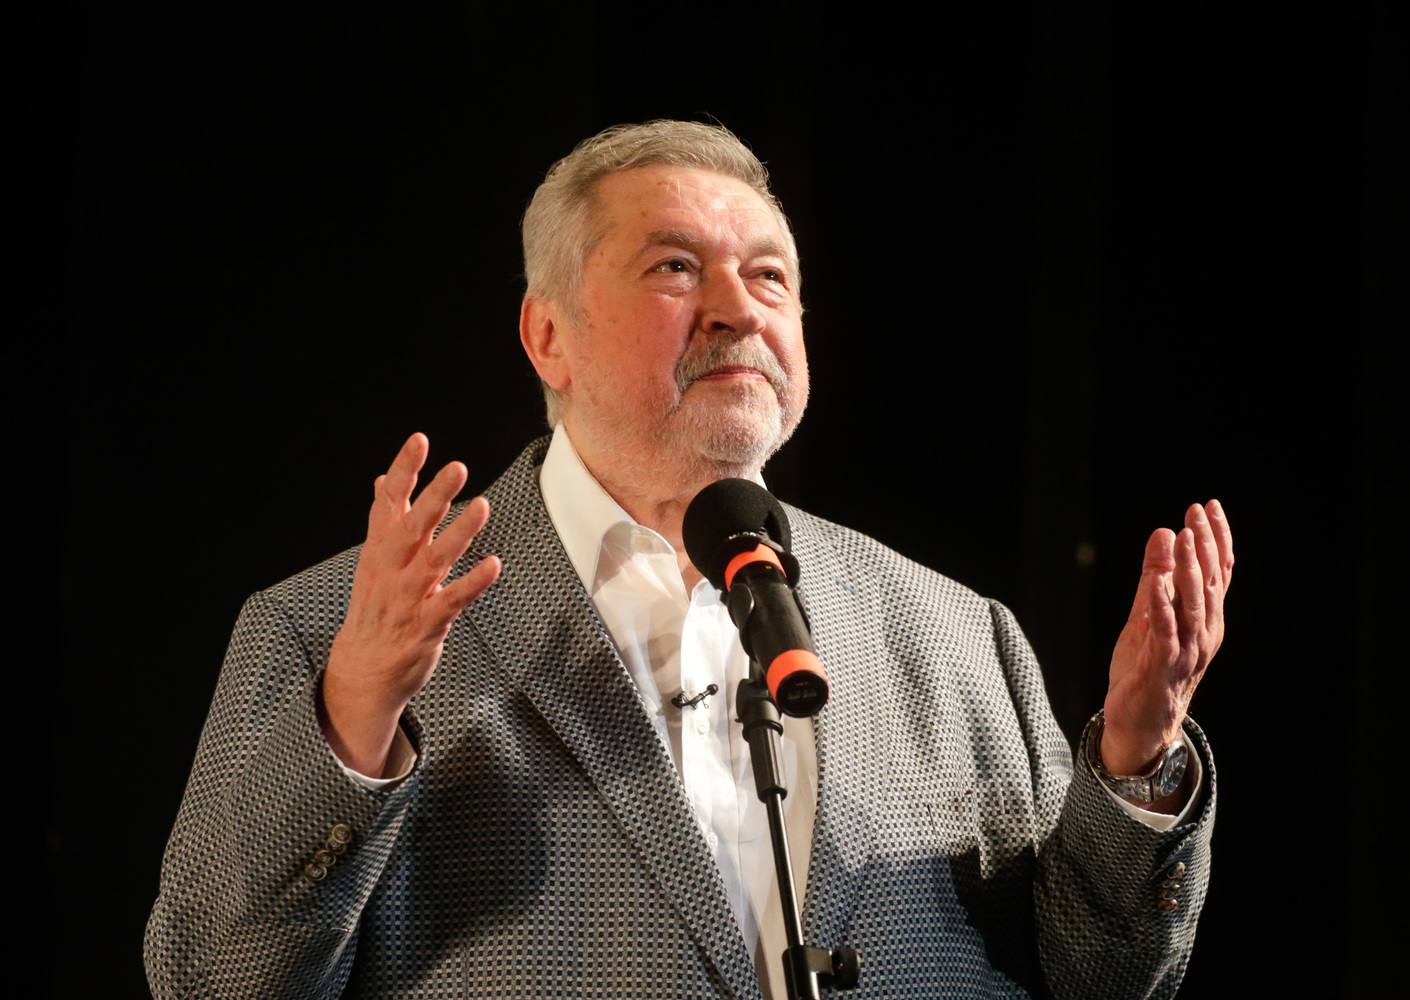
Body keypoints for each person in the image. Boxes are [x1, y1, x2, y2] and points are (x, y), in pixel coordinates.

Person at [145, 121, 1231, 1000]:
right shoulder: (330, 631)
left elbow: (1102, 979)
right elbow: (209, 981)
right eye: (675, 267)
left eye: (769, 275)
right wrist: (352, 717)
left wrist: (1136, 763)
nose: (738, 307)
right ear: (549, 335)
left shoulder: (957, 635)